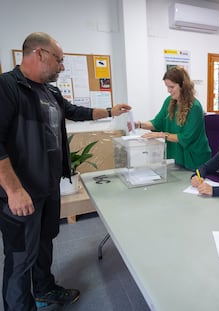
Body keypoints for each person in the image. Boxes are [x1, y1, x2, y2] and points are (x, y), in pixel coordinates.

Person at [0, 32, 131, 310]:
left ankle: (45, 289)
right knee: (20, 257)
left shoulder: (51, 92)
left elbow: (75, 111)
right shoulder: (8, 87)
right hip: (21, 192)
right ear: (39, 54)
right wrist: (13, 190)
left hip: (48, 186)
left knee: (45, 243)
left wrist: (110, 110)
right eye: (58, 60)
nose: (61, 66)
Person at [130, 67, 211, 170]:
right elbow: (157, 123)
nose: (169, 91)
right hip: (179, 158)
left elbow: (186, 137)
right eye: (167, 87)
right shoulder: (169, 101)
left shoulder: (195, 107)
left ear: (182, 85)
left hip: (194, 158)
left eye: (172, 87)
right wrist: (138, 124)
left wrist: (161, 135)